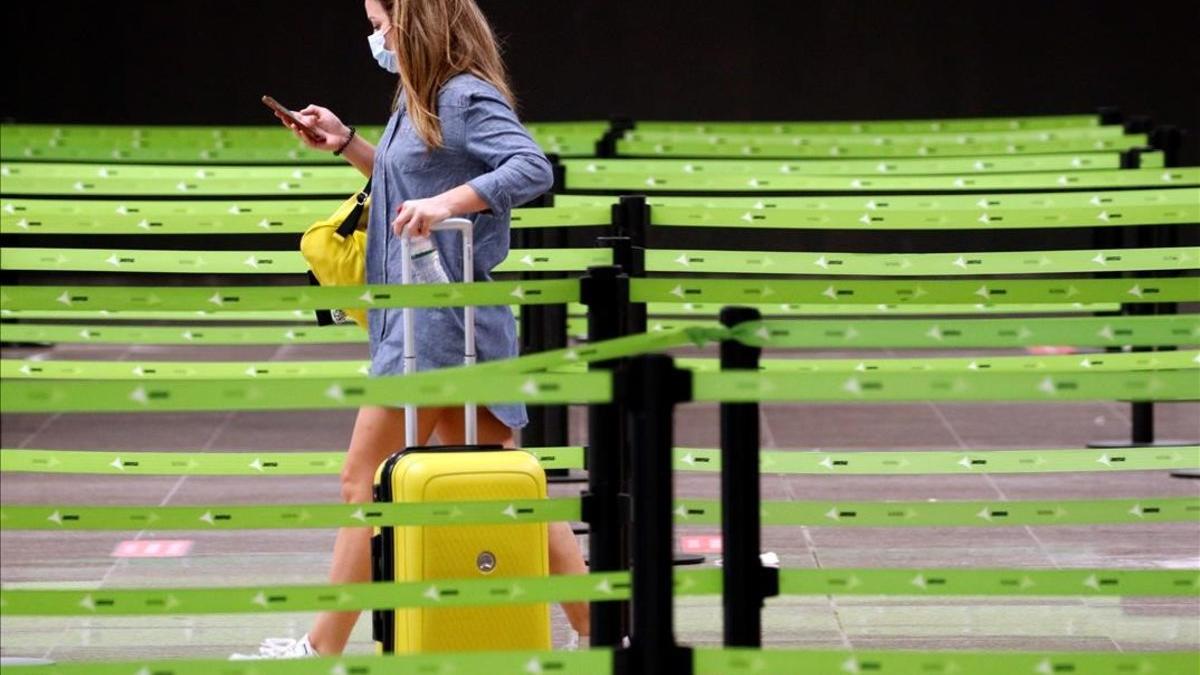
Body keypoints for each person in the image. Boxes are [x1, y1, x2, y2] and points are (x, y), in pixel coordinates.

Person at [233, 0, 590, 658]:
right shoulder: (417, 98)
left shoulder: (462, 94)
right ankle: (608, 629)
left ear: (414, 20)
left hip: (442, 321)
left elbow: (531, 167)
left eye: (380, 21)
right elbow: (406, 188)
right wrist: (346, 143)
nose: (375, 35)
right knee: (508, 481)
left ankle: (321, 648)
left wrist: (450, 203)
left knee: (364, 481)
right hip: (430, 316)